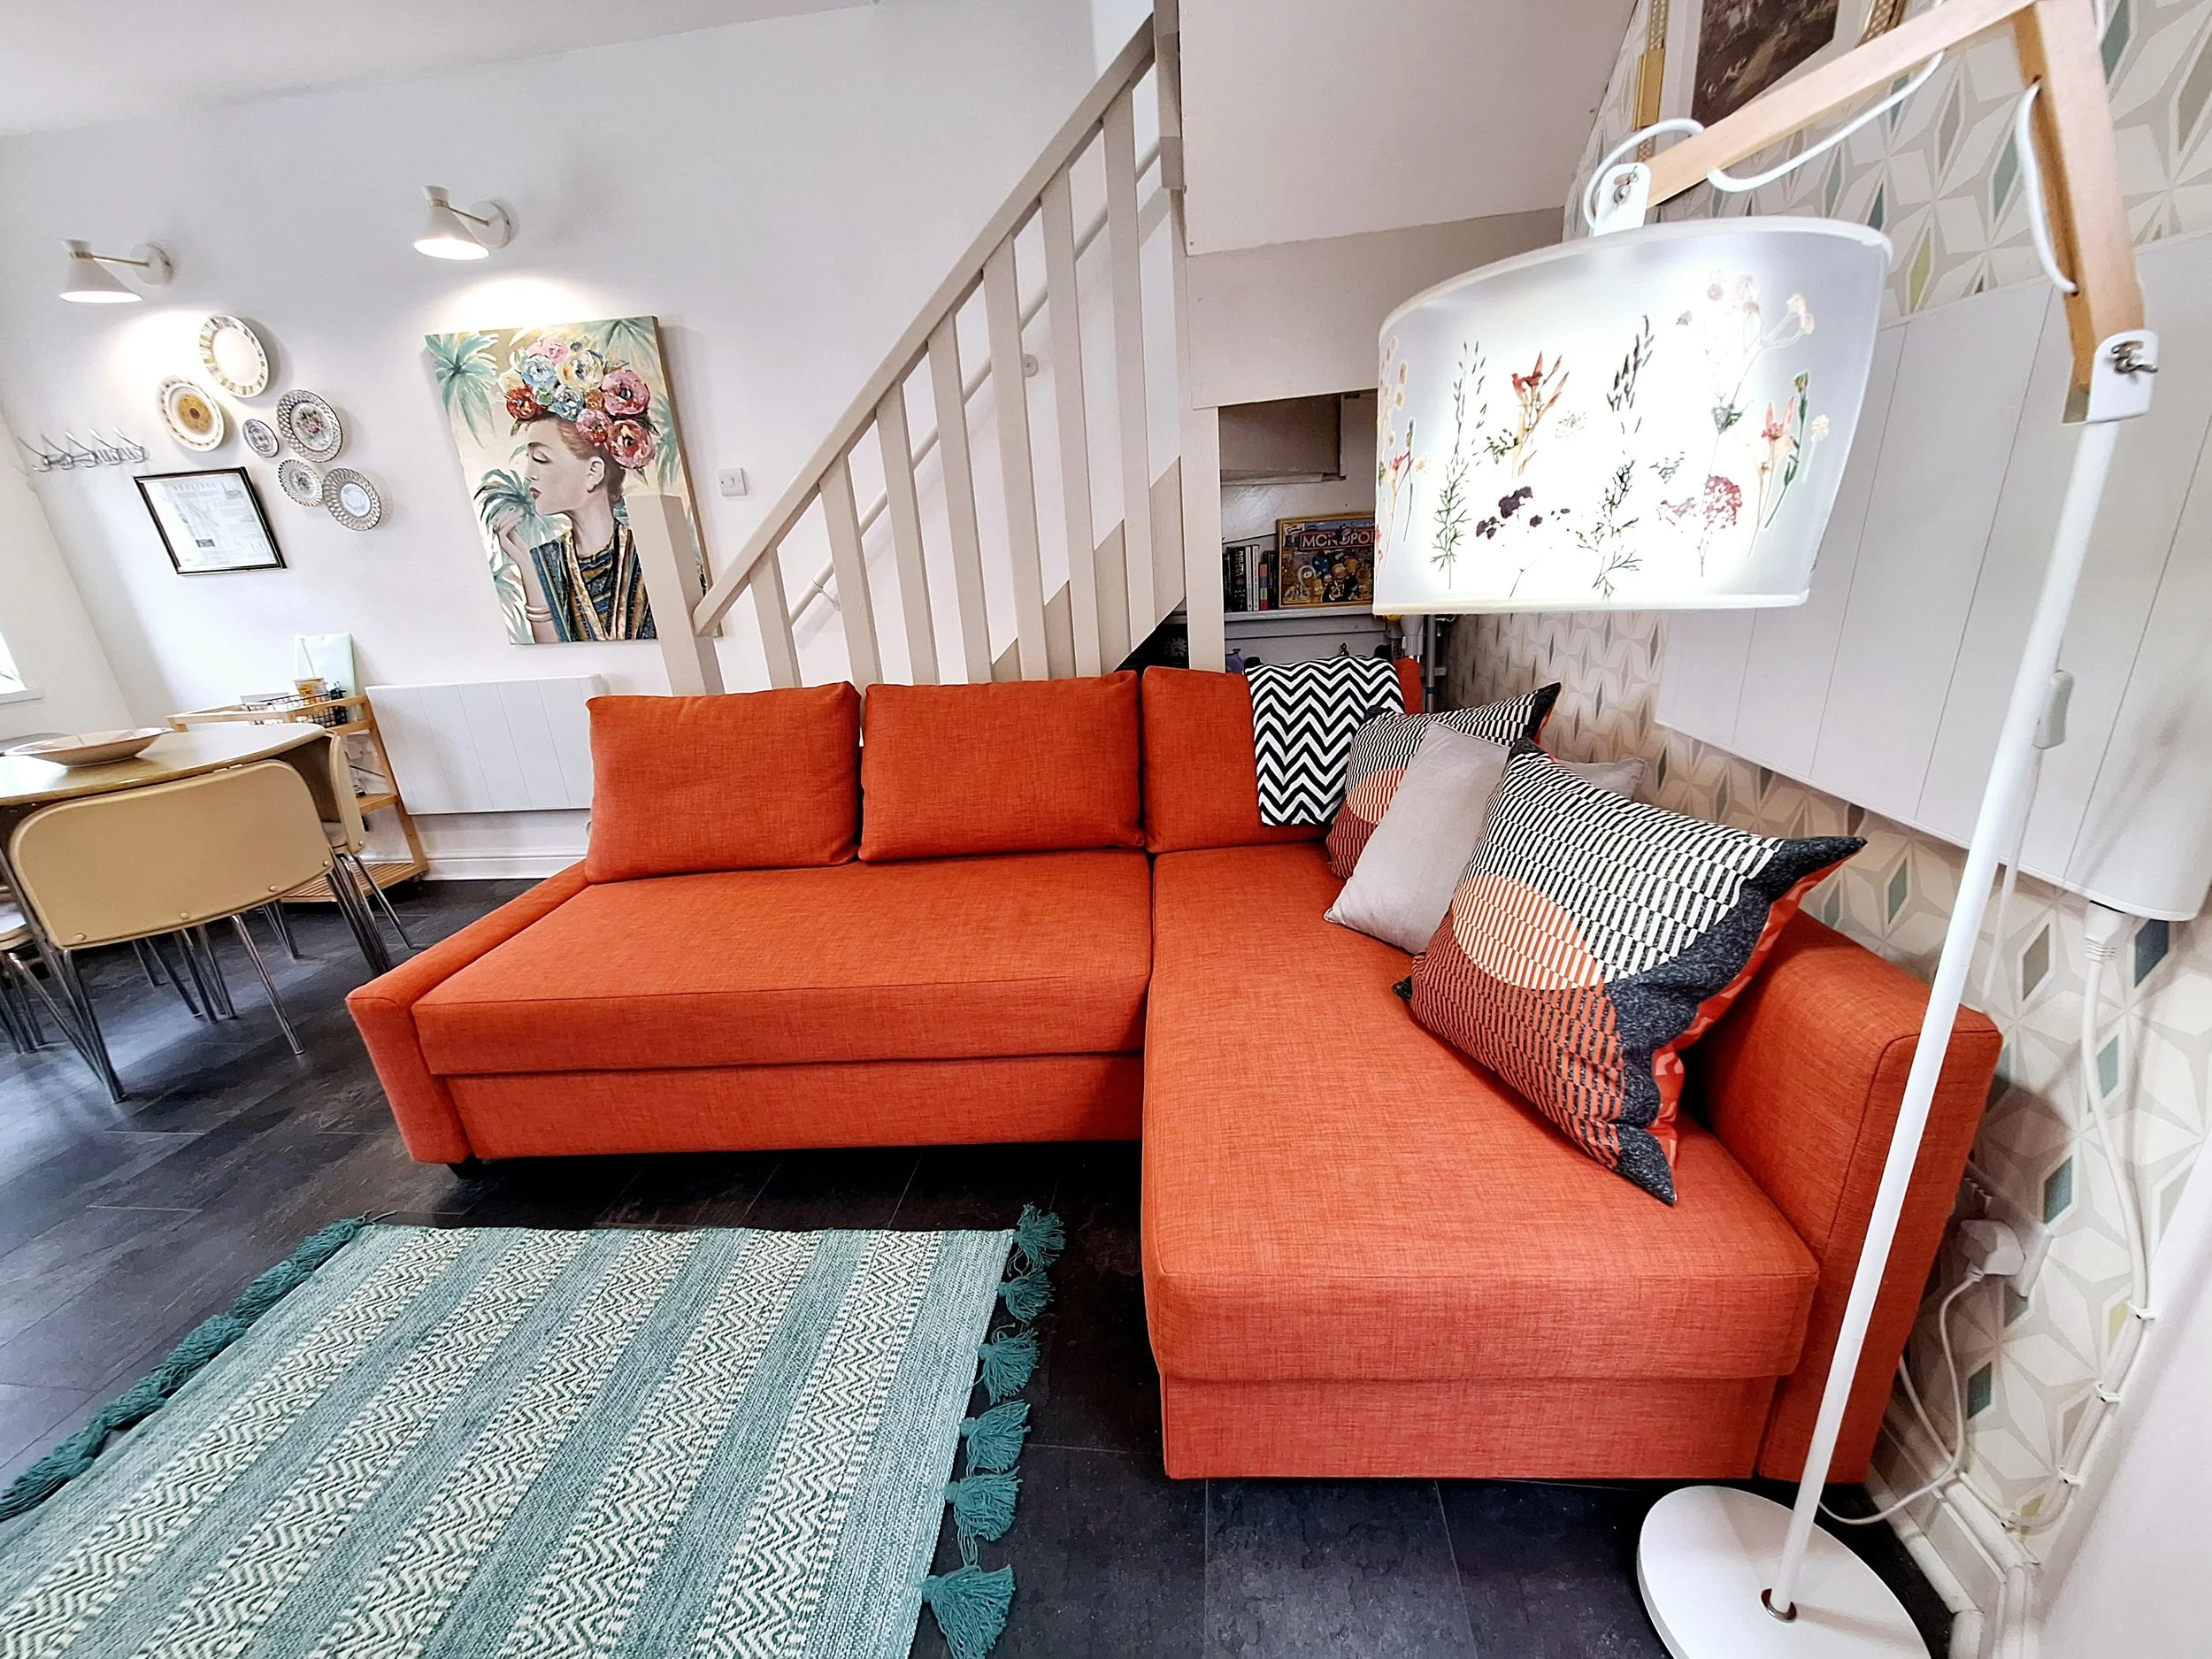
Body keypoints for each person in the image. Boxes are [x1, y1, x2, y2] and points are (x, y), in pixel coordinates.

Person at [495, 333, 662, 641]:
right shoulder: (548, 558)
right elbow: (553, 659)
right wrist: (528, 569)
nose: (529, 474)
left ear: (594, 472)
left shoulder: (652, 552)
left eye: (541, 459)